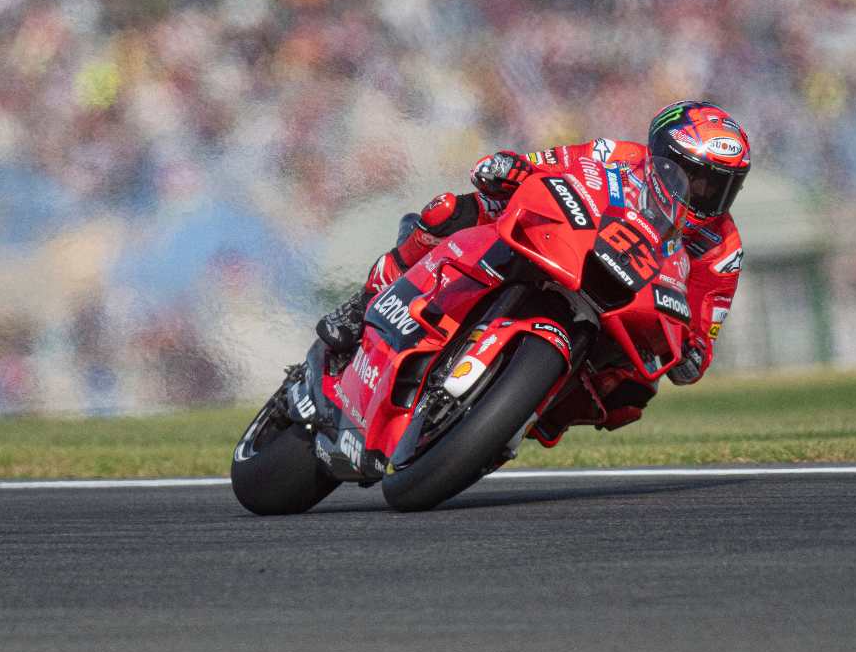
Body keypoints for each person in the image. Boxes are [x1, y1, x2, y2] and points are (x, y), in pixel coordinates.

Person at [317, 101, 750, 443]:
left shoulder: (722, 248)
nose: (705, 194)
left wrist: (692, 351)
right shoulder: (617, 157)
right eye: (695, 177)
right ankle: (363, 303)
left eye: (720, 186)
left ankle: (517, 417)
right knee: (451, 211)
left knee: (630, 393)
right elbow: (548, 165)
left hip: (617, 309)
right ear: (661, 158)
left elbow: (701, 335)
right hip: (560, 249)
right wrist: (511, 169)